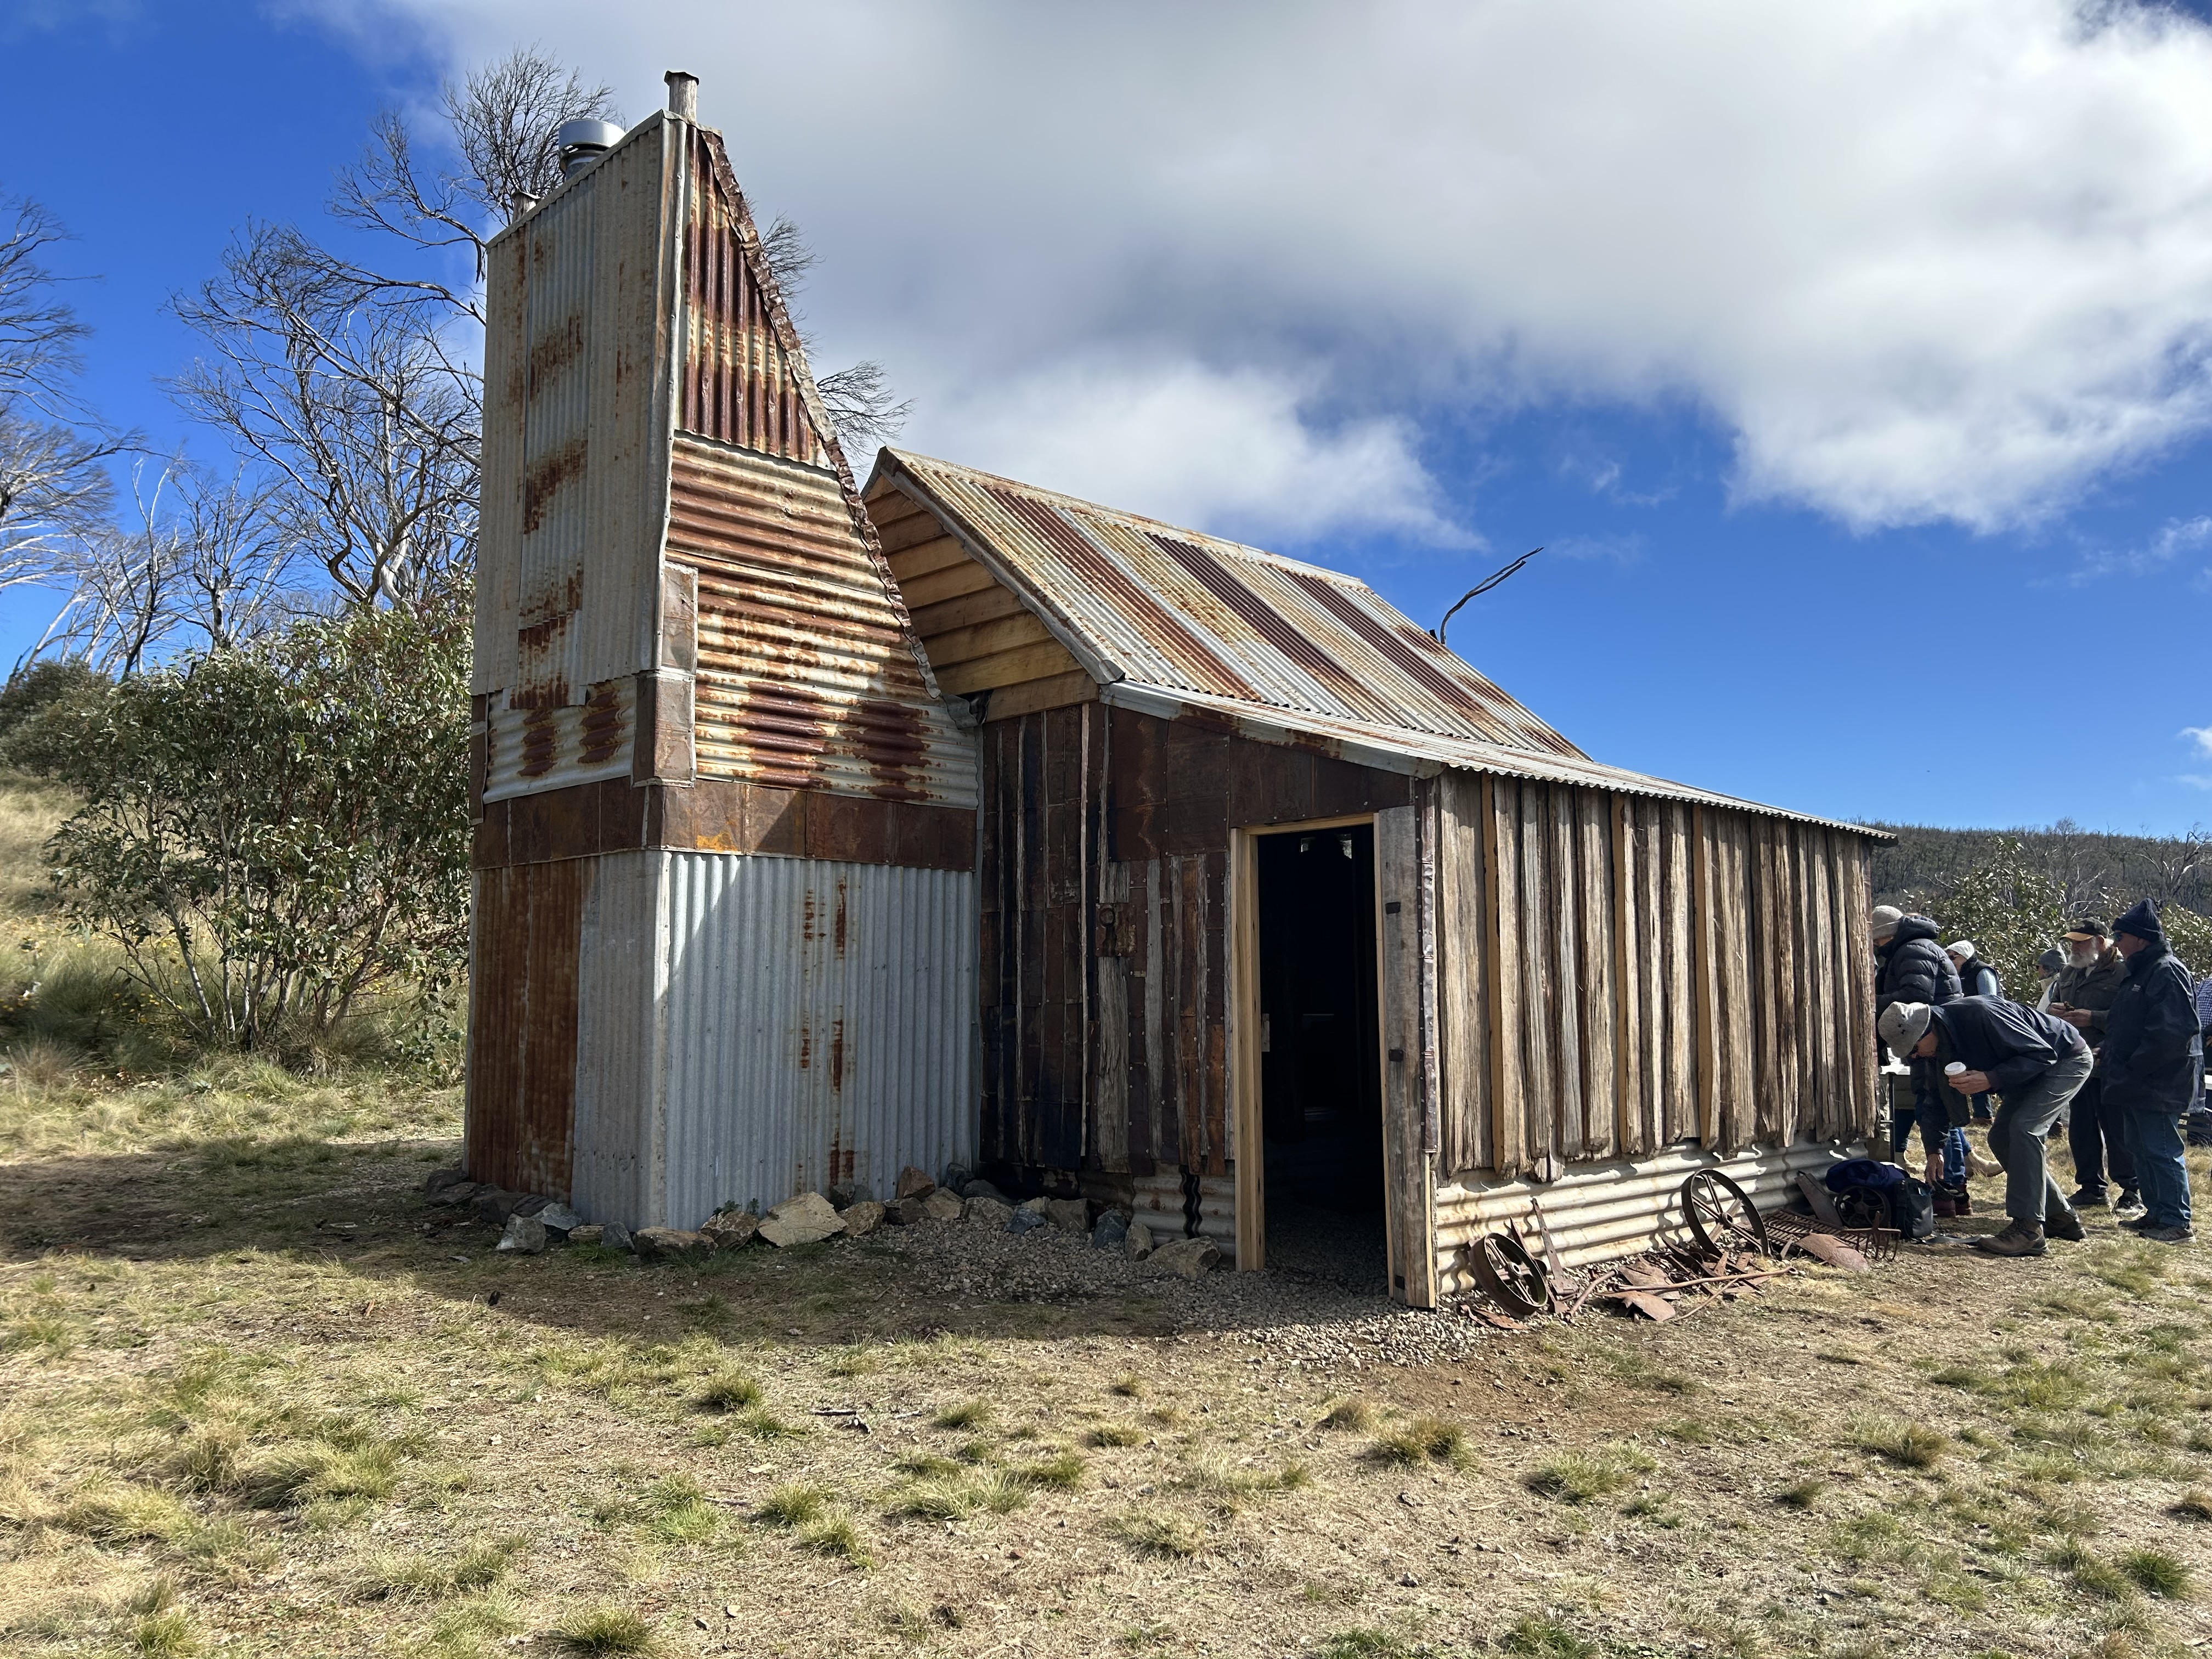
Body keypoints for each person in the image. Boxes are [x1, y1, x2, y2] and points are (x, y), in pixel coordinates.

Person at [1877, 996, 2091, 1256]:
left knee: (2025, 1128)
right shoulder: (1932, 1049)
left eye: (1914, 1048)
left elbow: (2043, 1054)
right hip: (2031, 1071)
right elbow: (1932, 1097)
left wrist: (1991, 1078)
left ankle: (2028, 1231)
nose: (1915, 1055)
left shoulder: (1981, 1015)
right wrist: (1934, 1148)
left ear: (1929, 1028)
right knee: (2001, 1138)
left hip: (2066, 1059)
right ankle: (2062, 1218)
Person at [2101, 899, 2203, 1244]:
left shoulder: (2166, 970)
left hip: (2158, 1082)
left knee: (2160, 1149)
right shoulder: (2141, 972)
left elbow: (2172, 1032)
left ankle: (2176, 1221)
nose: (2115, 942)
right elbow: (2128, 1026)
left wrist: (2134, 1066)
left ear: (2141, 939)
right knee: (2141, 1148)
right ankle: (2157, 1213)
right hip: (2136, 1081)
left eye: (2121, 935)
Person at [1874, 909, 1970, 1210]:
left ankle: (1950, 1189)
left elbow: (1916, 995)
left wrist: (1867, 1001)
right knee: (1936, 1106)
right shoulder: (1913, 948)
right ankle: (1952, 1190)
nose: (1877, 945)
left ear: (1887, 934)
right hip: (1931, 1036)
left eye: (1878, 939)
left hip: (1932, 1037)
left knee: (1940, 1106)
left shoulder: (1912, 950)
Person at [2049, 919, 2136, 1213]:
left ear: (2100, 941)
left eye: (2081, 942)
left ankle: (2131, 1190)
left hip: (2110, 1062)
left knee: (2117, 1130)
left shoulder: (2124, 972)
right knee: (2081, 1128)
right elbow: (2058, 1004)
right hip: (2075, 1062)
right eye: (2072, 941)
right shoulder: (2068, 971)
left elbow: (2132, 1018)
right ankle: (2091, 1188)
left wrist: (2094, 1018)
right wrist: (2056, 1011)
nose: (2074, 947)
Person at [1946, 941, 2003, 1120]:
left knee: (1986, 1068)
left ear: (1964, 956)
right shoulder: (1957, 974)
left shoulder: (1982, 972)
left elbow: (1990, 1002)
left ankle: (1987, 1114)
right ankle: (1982, 1115)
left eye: (1952, 957)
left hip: (1986, 1027)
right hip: (1968, 1026)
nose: (1949, 961)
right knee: (1972, 1066)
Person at [2034, 948, 2066, 1013]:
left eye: (2038, 967)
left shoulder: (2057, 987)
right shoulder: (2055, 986)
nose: (2037, 971)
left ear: (2050, 970)